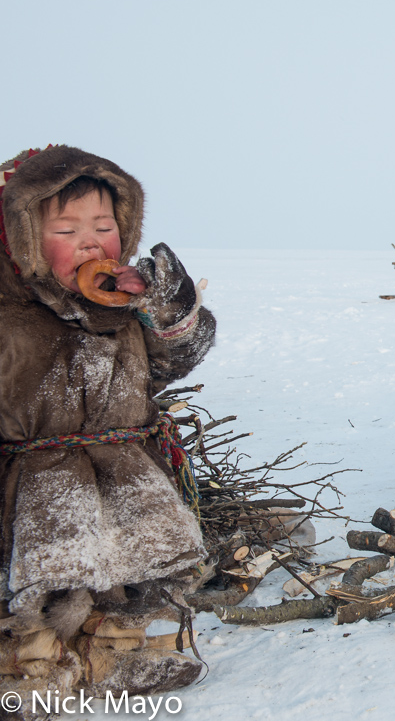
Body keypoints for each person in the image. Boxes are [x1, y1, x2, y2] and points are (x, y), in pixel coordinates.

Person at [0, 145, 215, 708]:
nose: (91, 241)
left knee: (132, 564)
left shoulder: (125, 307)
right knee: (49, 575)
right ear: (22, 238)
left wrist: (170, 311)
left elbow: (175, 360)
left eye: (104, 225)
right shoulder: (8, 310)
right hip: (38, 473)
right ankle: (29, 667)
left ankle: (117, 651)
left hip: (126, 463)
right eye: (66, 229)